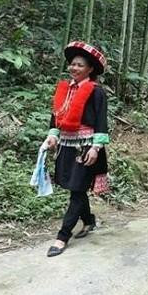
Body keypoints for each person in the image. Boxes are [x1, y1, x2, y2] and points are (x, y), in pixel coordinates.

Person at [44, 41, 109, 257]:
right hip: (67, 145)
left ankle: (62, 237)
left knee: (78, 189)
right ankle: (89, 221)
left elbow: (101, 121)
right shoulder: (65, 89)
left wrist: (96, 147)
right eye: (72, 64)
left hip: (86, 147)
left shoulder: (96, 92)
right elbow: (56, 115)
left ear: (90, 69)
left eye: (80, 65)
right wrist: (52, 136)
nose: (74, 68)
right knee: (76, 189)